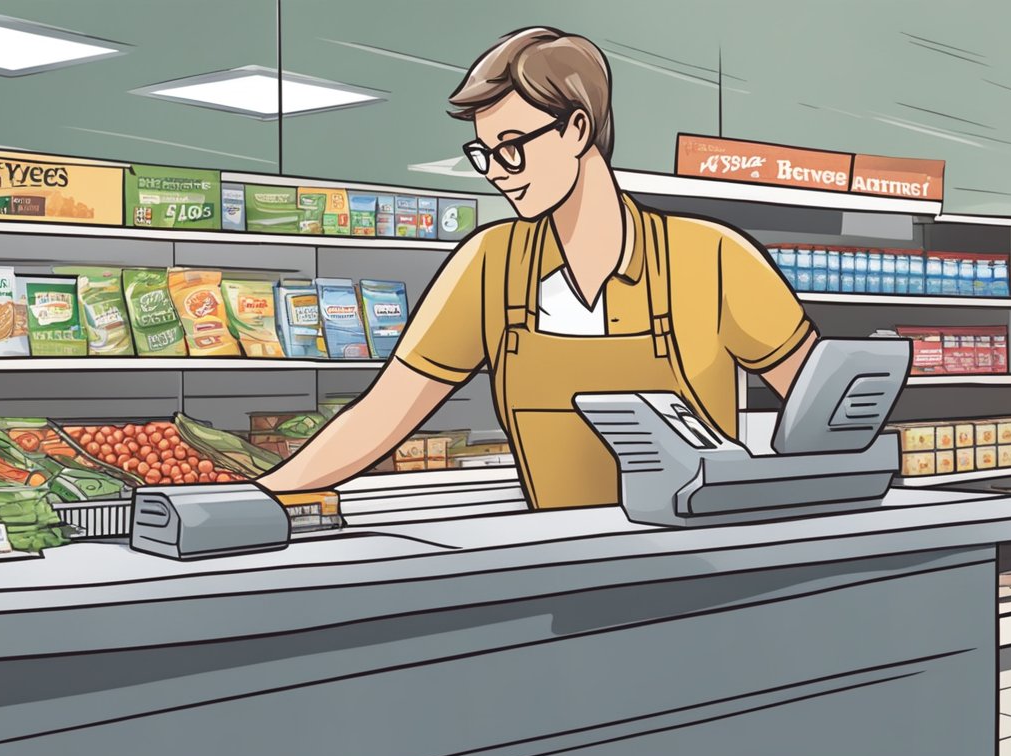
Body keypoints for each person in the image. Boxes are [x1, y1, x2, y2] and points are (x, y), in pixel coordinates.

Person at [257, 26, 817, 510]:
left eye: (511, 146)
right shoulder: (489, 264)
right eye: (483, 153)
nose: (497, 171)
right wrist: (261, 496)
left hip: (705, 565)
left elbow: (825, 411)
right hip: (560, 563)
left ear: (577, 129)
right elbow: (380, 415)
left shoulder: (714, 257)